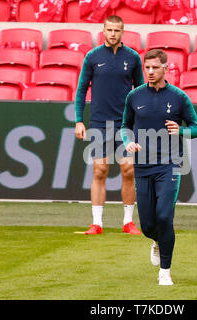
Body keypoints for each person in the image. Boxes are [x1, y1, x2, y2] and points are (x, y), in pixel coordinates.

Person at [121, 49, 197, 285]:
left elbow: (196, 128)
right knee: (147, 225)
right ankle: (156, 241)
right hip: (143, 166)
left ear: (166, 68)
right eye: (147, 67)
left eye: (155, 67)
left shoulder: (179, 97)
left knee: (165, 217)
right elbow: (125, 125)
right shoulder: (134, 96)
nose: (150, 72)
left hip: (170, 166)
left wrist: (182, 130)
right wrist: (128, 142)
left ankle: (165, 271)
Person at [74, 15, 144, 235]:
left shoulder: (133, 58)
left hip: (126, 125)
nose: (113, 34)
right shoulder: (92, 57)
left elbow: (141, 90)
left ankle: (128, 222)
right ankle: (97, 223)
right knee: (100, 170)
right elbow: (81, 89)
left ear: (123, 32)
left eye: (117, 30)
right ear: (103, 30)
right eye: (110, 30)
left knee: (129, 169)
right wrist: (78, 120)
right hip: (99, 123)